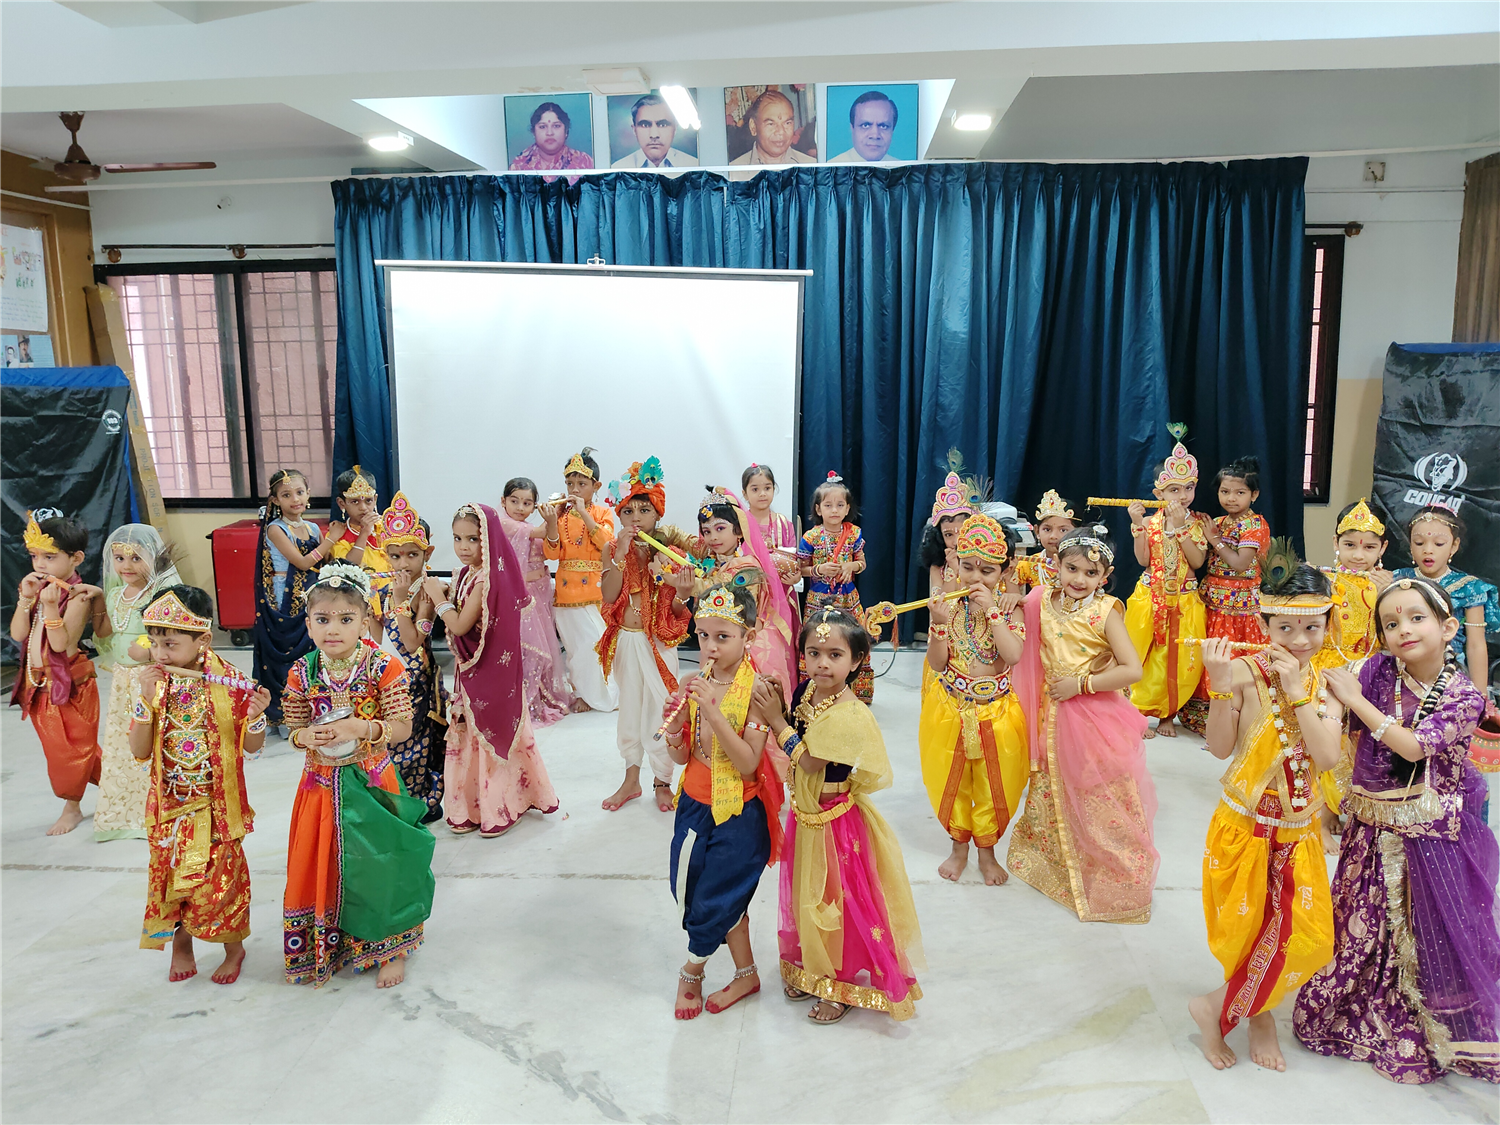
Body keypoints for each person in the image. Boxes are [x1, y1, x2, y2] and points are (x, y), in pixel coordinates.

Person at [1295, 577, 1499, 1084]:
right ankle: (1362, 1006)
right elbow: (1331, 715)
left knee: (1431, 933)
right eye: (1390, 623)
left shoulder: (1464, 696)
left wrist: (1355, 701)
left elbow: (1413, 746)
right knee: (1364, 927)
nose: (1403, 629)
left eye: (1416, 617)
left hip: (1430, 836)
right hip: (1369, 828)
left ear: (1448, 627)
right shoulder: (1374, 671)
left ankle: (1440, 1027)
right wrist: (1322, 703)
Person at [1189, 544, 1344, 1072]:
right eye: (1285, 629)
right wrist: (1217, 686)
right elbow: (1219, 748)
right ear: (1262, 625)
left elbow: (1326, 757)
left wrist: (1298, 691)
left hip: (1298, 830)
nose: (1299, 641)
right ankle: (1257, 1019)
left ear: (1328, 624)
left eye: (1312, 628)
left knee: (1305, 936)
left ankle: (1214, 1006)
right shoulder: (1243, 672)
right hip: (1244, 823)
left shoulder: (1328, 682)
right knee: (1247, 931)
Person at [764, 606, 924, 1023]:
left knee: (840, 901)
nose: (822, 663)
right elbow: (797, 731)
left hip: (834, 820)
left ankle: (840, 984)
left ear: (856, 661)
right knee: (808, 895)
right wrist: (781, 706)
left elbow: (809, 760)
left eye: (835, 655)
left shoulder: (849, 712)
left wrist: (776, 721)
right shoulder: (806, 691)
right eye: (813, 653)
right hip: (805, 814)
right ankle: (814, 968)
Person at [282, 563, 435, 989]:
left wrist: (360, 729)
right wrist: (305, 737)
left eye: (346, 619)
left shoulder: (382, 666)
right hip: (319, 785)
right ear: (308, 623)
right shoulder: (301, 671)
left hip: (372, 783)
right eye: (322, 619)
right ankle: (332, 945)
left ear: (365, 622)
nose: (333, 629)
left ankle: (390, 947)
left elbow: (403, 728)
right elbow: (293, 727)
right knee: (321, 863)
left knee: (381, 864)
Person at [1007, 527, 1158, 921]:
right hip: (1050, 713)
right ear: (1056, 565)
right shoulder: (1041, 599)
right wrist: (1008, 598)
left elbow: (1133, 670)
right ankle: (1057, 862)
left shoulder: (1105, 611)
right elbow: (1016, 619)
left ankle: (1110, 870)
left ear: (1105, 577)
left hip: (1091, 716)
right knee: (1052, 784)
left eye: (1091, 573)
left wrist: (1081, 684)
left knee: (1097, 791)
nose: (1079, 579)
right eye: (1071, 569)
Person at [131, 585, 270, 985]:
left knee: (220, 883)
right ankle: (181, 945)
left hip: (216, 808)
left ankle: (233, 948)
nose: (160, 654)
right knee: (172, 881)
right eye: (154, 643)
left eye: (170, 644)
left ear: (203, 640)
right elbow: (139, 750)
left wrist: (257, 716)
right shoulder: (154, 684)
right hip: (169, 807)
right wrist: (145, 702)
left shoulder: (230, 681)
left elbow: (251, 747)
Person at [658, 585, 784, 1020]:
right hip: (693, 806)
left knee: (716, 898)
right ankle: (746, 974)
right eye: (703, 636)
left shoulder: (759, 691)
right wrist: (675, 727)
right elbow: (682, 757)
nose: (710, 647)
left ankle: (691, 970)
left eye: (723, 637)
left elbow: (748, 763)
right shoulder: (693, 683)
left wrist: (712, 711)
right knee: (693, 893)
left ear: (750, 636)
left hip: (738, 815)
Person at [427, 504, 559, 837]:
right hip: (470, 673)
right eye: (457, 538)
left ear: (489, 539)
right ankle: (472, 807)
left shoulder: (487, 578)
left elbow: (459, 626)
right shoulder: (466, 574)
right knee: (472, 736)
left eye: (473, 539)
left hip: (491, 676)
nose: (463, 547)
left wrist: (438, 600)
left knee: (492, 736)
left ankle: (501, 807)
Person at [918, 511, 1028, 886]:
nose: (975, 578)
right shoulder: (948, 605)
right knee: (953, 781)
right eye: (968, 567)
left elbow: (1012, 655)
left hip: (996, 712)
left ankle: (987, 852)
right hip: (951, 708)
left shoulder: (1010, 609)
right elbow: (937, 663)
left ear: (1005, 570)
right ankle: (958, 848)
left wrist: (993, 612)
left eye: (987, 570)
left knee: (995, 785)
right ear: (956, 564)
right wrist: (939, 624)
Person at [598, 458, 694, 812]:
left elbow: (677, 613)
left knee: (661, 708)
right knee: (630, 710)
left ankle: (662, 781)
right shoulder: (612, 549)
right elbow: (609, 596)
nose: (635, 517)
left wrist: (682, 594)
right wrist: (621, 557)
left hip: (658, 645)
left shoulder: (672, 555)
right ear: (619, 515)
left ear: (657, 515)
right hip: (626, 639)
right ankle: (631, 778)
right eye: (628, 511)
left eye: (644, 510)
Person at [9, 511, 102, 835]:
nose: (40, 564)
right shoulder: (39, 588)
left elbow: (61, 644)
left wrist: (49, 607)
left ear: (76, 558)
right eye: (35, 556)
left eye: (50, 557)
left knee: (70, 750)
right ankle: (123, 785)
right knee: (64, 748)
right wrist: (26, 598)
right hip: (38, 683)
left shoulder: (78, 595)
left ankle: (71, 807)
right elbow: (18, 634)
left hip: (69, 685)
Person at [89, 523, 182, 841]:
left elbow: (174, 635)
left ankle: (161, 812)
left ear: (153, 558)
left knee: (153, 741)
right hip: (122, 683)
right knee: (123, 745)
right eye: (119, 558)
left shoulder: (160, 594)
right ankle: (125, 815)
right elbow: (105, 632)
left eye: (136, 558)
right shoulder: (116, 594)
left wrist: (147, 650)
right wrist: (98, 600)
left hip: (151, 679)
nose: (126, 566)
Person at [1311, 497, 1392, 847]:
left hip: (1368, 672)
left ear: (1382, 548)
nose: (1358, 555)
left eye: (1369, 547)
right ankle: (1319, 815)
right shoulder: (1323, 579)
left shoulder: (1389, 586)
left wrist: (1388, 594)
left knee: (1356, 745)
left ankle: (1341, 807)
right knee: (1324, 738)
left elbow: (1393, 635)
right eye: (1350, 545)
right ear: (1335, 543)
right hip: (1326, 669)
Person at [1125, 426, 1209, 737]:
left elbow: (1197, 562)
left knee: (1178, 660)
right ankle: (1133, 713)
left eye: (1188, 488)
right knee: (1141, 654)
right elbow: (1143, 560)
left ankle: (1166, 715)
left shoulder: (1197, 523)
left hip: (1184, 600)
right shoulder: (1150, 522)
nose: (1182, 496)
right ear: (1158, 494)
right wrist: (1137, 524)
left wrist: (1180, 527)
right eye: (1174, 490)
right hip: (1150, 597)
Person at [1180, 457, 1271, 735]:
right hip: (1213, 600)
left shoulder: (1255, 525)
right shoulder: (1217, 522)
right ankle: (1206, 716)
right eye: (1225, 491)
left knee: (1235, 656)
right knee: (1211, 654)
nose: (1231, 498)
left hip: (1241, 605)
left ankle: (1237, 715)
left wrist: (1214, 539)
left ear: (1254, 495)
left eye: (1240, 492)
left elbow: (1241, 564)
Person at [688, 489, 799, 705]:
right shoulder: (715, 558)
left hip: (748, 642)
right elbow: (685, 540)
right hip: (720, 637)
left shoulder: (747, 565)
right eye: (706, 531)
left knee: (748, 702)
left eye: (720, 528)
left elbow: (714, 588)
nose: (713, 537)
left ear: (738, 531)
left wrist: (680, 582)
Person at [376, 492, 447, 822]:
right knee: (390, 743)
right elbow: (376, 639)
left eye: (412, 555)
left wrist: (401, 599)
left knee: (417, 743)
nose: (403, 563)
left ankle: (420, 801)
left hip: (417, 682)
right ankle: (394, 801)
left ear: (427, 553)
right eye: (395, 556)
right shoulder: (383, 589)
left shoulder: (429, 591)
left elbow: (413, 640)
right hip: (388, 677)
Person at [542, 448, 619, 713]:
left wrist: (584, 512)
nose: (574, 489)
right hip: (566, 592)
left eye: (582, 484)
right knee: (576, 650)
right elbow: (551, 553)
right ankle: (582, 693)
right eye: (570, 483)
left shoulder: (602, 513)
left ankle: (608, 693)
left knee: (597, 644)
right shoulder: (560, 515)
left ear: (596, 486)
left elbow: (607, 543)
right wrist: (551, 523)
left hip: (596, 591)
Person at [1393, 505, 1498, 697]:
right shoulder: (1396, 581)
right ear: (1410, 545)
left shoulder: (1469, 588)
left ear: (1454, 546)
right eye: (1419, 543)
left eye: (1439, 544)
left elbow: (1475, 645)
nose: (1428, 550)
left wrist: (1481, 697)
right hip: (1400, 672)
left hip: (1450, 675)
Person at [253, 468, 328, 725]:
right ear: (275, 500)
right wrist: (332, 539)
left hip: (312, 595)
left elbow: (322, 563)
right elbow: (303, 563)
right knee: (285, 651)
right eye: (286, 495)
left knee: (310, 651)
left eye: (299, 492)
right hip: (282, 599)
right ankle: (282, 714)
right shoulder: (275, 529)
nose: (295, 499)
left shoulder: (313, 528)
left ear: (308, 494)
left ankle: (310, 708)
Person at [499, 477, 573, 725]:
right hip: (517, 597)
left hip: (538, 593)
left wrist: (553, 520)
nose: (520, 507)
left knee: (543, 648)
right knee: (527, 647)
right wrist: (555, 514)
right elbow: (542, 531)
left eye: (527, 503)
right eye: (515, 501)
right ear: (503, 501)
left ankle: (539, 695)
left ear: (534, 506)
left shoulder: (527, 526)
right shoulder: (504, 524)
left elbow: (550, 542)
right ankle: (524, 700)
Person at [798, 472, 873, 702]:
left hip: (848, 598)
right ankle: (813, 692)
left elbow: (862, 563)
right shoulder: (811, 537)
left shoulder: (853, 534)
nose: (834, 510)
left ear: (847, 508)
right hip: (818, 599)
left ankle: (858, 692)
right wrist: (819, 570)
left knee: (855, 638)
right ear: (818, 509)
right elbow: (800, 569)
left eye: (840, 505)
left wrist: (852, 565)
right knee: (818, 640)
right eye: (828, 505)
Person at [326, 465, 390, 629]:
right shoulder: (338, 534)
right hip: (359, 600)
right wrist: (364, 532)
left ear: (375, 499)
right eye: (355, 501)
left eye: (368, 501)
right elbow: (349, 567)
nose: (363, 507)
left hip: (392, 597)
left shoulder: (388, 528)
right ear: (342, 503)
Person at [741, 463, 800, 606]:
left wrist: (796, 577)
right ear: (745, 494)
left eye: (767, 488)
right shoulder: (739, 523)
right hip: (747, 591)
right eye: (755, 489)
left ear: (774, 489)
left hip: (779, 593)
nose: (762, 494)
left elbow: (793, 560)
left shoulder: (784, 524)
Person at [729, 89, 816, 166]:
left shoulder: (812, 168)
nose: (781, 132)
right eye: (771, 124)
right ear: (753, 127)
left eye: (787, 123)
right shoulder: (733, 172)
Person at [612, 93, 699, 169]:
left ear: (675, 128)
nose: (654, 135)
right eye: (645, 125)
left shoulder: (694, 166)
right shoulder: (618, 169)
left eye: (662, 125)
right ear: (634, 130)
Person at [1014, 490, 1079, 593]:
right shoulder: (1029, 563)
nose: (1053, 536)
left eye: (1063, 530)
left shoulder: (1084, 563)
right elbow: (1008, 587)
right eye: (1047, 529)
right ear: (1037, 531)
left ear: (1077, 532)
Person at [509, 101, 594, 172]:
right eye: (542, 127)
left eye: (556, 126)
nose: (549, 133)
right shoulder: (519, 166)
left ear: (566, 131)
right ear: (533, 132)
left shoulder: (584, 162)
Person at [829, 90, 899, 163]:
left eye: (883, 126)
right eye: (865, 125)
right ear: (852, 128)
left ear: (892, 131)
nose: (875, 135)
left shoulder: (902, 167)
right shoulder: (831, 166)